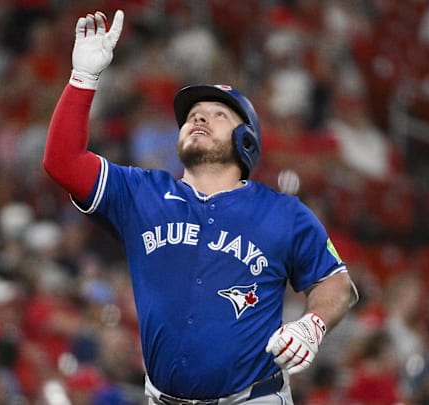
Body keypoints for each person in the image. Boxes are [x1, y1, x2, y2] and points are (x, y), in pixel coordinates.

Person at [43, 10, 358, 404]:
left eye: (217, 115)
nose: (199, 119)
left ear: (246, 141)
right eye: (193, 116)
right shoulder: (141, 193)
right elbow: (63, 162)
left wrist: (312, 325)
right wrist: (83, 78)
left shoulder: (283, 212)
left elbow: (337, 283)